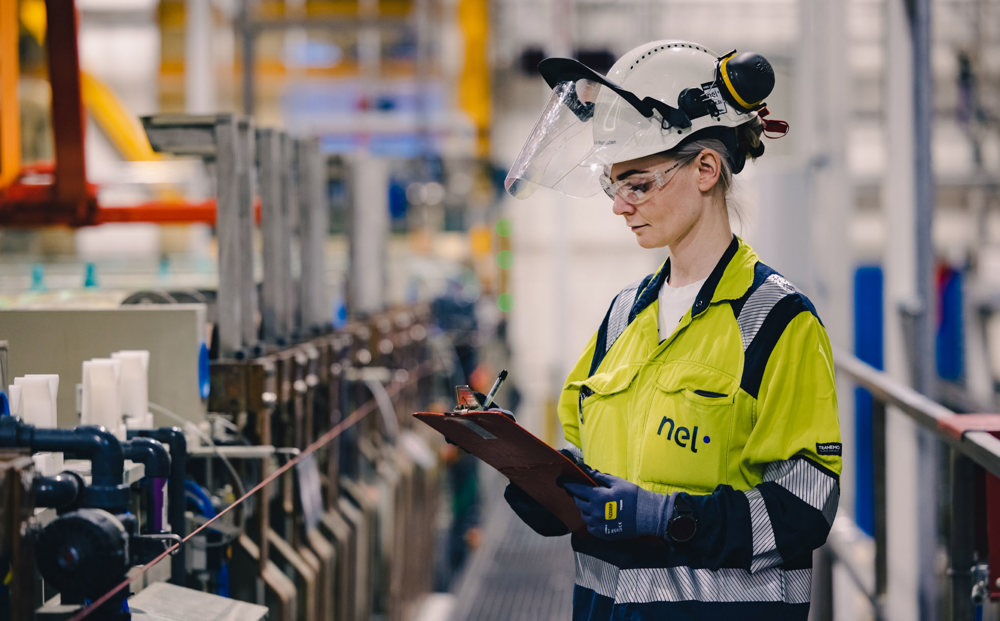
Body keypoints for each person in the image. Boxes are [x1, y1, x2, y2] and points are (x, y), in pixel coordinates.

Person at [502, 39, 842, 620]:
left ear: (706, 169)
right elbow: (582, 450)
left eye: (638, 183)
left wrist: (672, 518)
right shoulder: (621, 318)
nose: (619, 206)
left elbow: (806, 506)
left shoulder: (778, 322)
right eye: (614, 186)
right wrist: (546, 488)